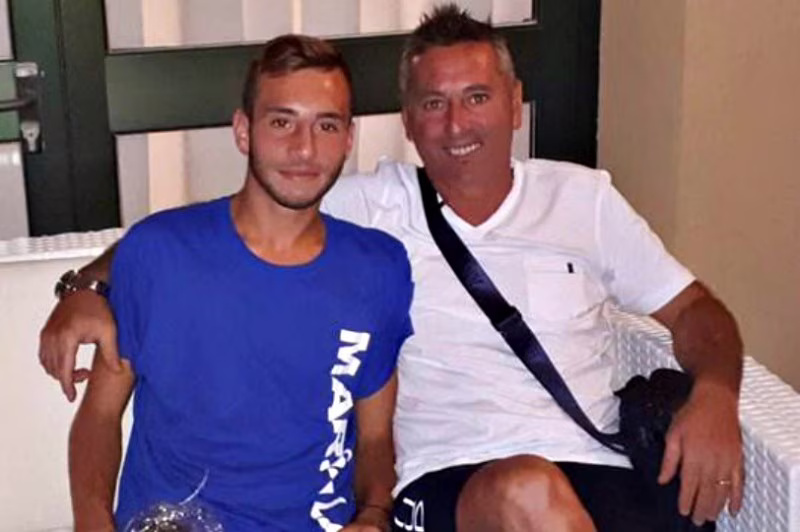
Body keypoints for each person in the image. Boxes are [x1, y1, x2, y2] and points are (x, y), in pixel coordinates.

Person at [40, 5, 744, 532]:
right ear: (407, 121)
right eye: (433, 103)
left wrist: (716, 392)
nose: (456, 125)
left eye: (477, 97)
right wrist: (88, 285)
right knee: (528, 492)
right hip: (455, 486)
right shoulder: (368, 209)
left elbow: (694, 310)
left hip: (593, 468)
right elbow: (212, 228)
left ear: (514, 101)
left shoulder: (581, 200)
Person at [64, 34, 413, 532]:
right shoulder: (159, 253)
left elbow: (375, 437)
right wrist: (92, 521)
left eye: (326, 125)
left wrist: (375, 513)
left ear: (348, 139)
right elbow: (100, 415)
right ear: (244, 131)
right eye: (282, 122)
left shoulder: (379, 268)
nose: (305, 149)